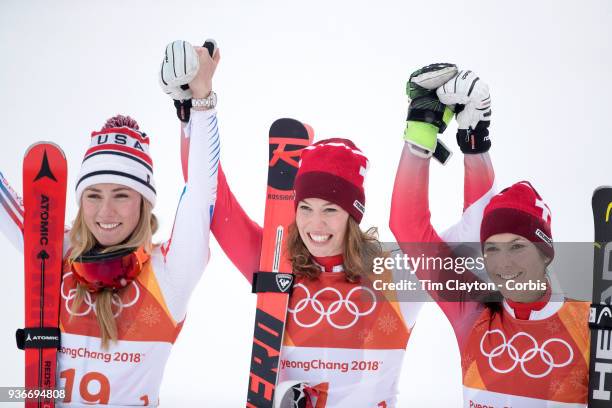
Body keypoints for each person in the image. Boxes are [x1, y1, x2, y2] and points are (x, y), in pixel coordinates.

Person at [0, 45, 220, 406]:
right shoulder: (57, 251)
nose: (106, 212)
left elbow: (200, 194)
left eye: (121, 195)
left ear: (143, 202)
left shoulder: (169, 273)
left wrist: (201, 101)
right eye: (93, 195)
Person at [390, 64, 589, 407]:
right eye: (492, 249)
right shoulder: (472, 312)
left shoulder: (589, 323)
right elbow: (408, 229)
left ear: (546, 253)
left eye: (517, 247)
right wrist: (427, 135)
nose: (503, 262)